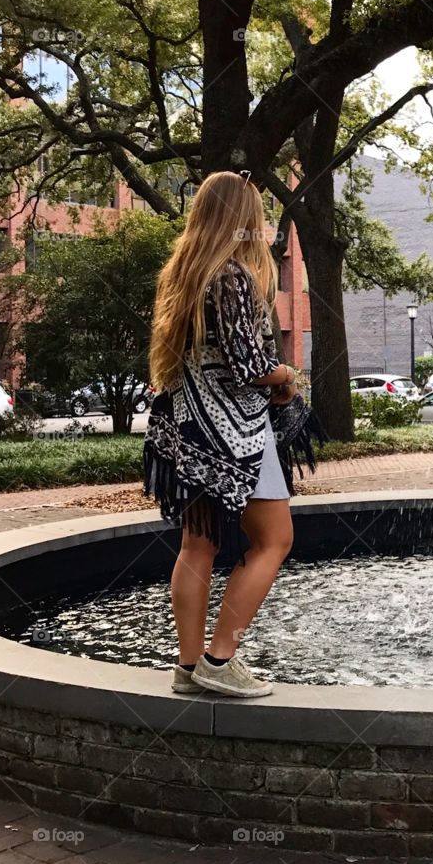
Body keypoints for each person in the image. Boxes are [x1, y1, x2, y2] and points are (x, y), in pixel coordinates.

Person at [143, 170, 318, 699]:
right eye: (256, 215)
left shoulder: (185, 272)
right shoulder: (233, 276)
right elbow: (249, 365)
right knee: (274, 539)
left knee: (197, 544)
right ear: (242, 218)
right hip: (235, 434)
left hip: (187, 430)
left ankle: (190, 667)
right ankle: (221, 659)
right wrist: (288, 376)